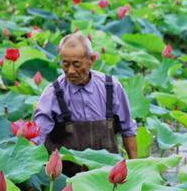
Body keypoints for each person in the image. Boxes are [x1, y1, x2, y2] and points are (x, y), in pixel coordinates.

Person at [33, 33, 138, 175]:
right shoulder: (53, 93)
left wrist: (135, 169)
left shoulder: (111, 87)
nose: (70, 71)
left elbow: (128, 130)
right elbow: (36, 137)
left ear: (92, 60)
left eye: (76, 64)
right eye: (65, 64)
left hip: (106, 173)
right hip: (67, 177)